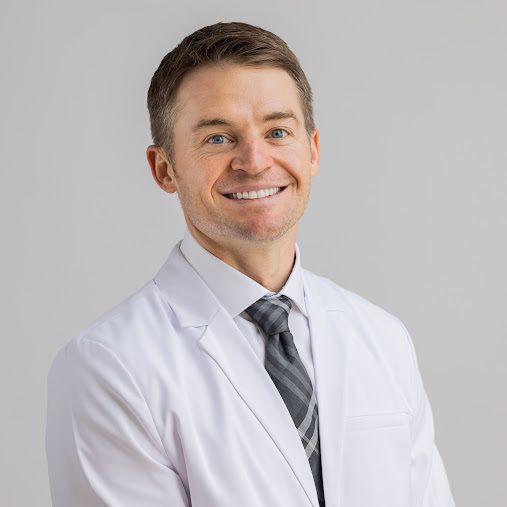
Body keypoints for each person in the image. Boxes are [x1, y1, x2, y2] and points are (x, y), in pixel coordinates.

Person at [45, 21, 456, 507]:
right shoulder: (109, 368)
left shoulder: (383, 339)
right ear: (164, 169)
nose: (255, 161)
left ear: (312, 151)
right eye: (218, 138)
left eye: (278, 131)